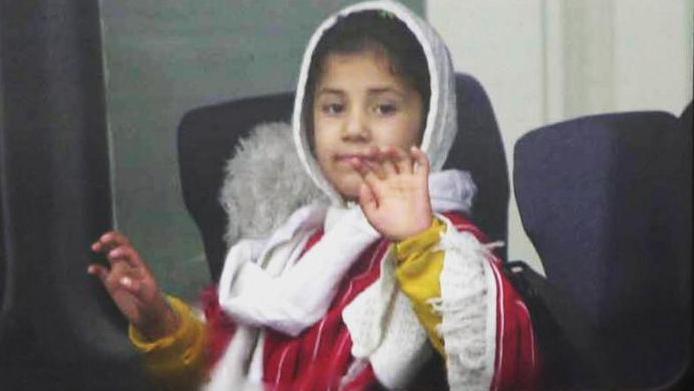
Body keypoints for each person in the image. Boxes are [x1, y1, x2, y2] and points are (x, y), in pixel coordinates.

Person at [89, 1, 541, 389]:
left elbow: (499, 368)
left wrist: (420, 241)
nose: (354, 129)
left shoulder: (447, 244)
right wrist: (160, 324)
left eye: (384, 107)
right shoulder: (295, 246)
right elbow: (225, 367)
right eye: (333, 107)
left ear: (431, 122)